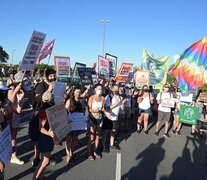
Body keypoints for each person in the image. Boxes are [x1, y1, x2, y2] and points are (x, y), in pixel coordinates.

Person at [32, 68, 57, 167]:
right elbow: (39, 101)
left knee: (49, 136)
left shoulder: (55, 85)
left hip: (51, 114)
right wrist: (49, 90)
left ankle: (47, 156)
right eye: (50, 76)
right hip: (40, 115)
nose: (53, 78)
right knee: (39, 138)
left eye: (54, 76)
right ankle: (36, 158)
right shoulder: (40, 86)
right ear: (46, 76)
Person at [0, 81, 24, 164]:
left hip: (6, 133)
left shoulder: (8, 103)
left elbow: (17, 112)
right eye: (4, 92)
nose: (6, 93)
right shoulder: (5, 106)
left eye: (7, 91)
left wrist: (20, 101)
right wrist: (16, 90)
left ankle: (12, 156)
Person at [33, 91, 55, 180]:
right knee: (45, 161)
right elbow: (41, 128)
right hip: (45, 138)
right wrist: (49, 133)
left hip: (48, 137)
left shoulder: (48, 108)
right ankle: (35, 178)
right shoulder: (44, 111)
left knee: (44, 160)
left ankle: (41, 177)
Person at [65, 86, 86, 164]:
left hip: (78, 124)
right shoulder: (70, 100)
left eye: (79, 92)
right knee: (68, 139)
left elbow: (83, 110)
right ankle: (68, 155)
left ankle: (71, 153)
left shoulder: (81, 101)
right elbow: (65, 110)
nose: (78, 93)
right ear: (73, 93)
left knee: (74, 139)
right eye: (77, 92)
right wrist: (67, 119)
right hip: (70, 122)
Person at [103, 84, 125, 151]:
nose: (116, 90)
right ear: (112, 89)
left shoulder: (120, 98)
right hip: (108, 117)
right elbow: (107, 107)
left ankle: (112, 144)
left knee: (113, 131)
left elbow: (120, 108)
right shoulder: (109, 97)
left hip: (115, 118)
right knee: (106, 132)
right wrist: (117, 102)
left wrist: (122, 112)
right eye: (115, 89)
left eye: (117, 89)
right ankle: (103, 145)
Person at [87, 83, 105, 160]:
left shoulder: (103, 98)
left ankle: (95, 151)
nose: (100, 90)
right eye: (98, 89)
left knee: (97, 136)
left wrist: (103, 110)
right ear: (95, 89)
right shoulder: (91, 98)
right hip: (92, 118)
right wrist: (95, 110)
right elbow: (89, 109)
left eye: (101, 89)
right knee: (92, 137)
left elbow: (104, 108)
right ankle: (89, 153)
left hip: (100, 118)